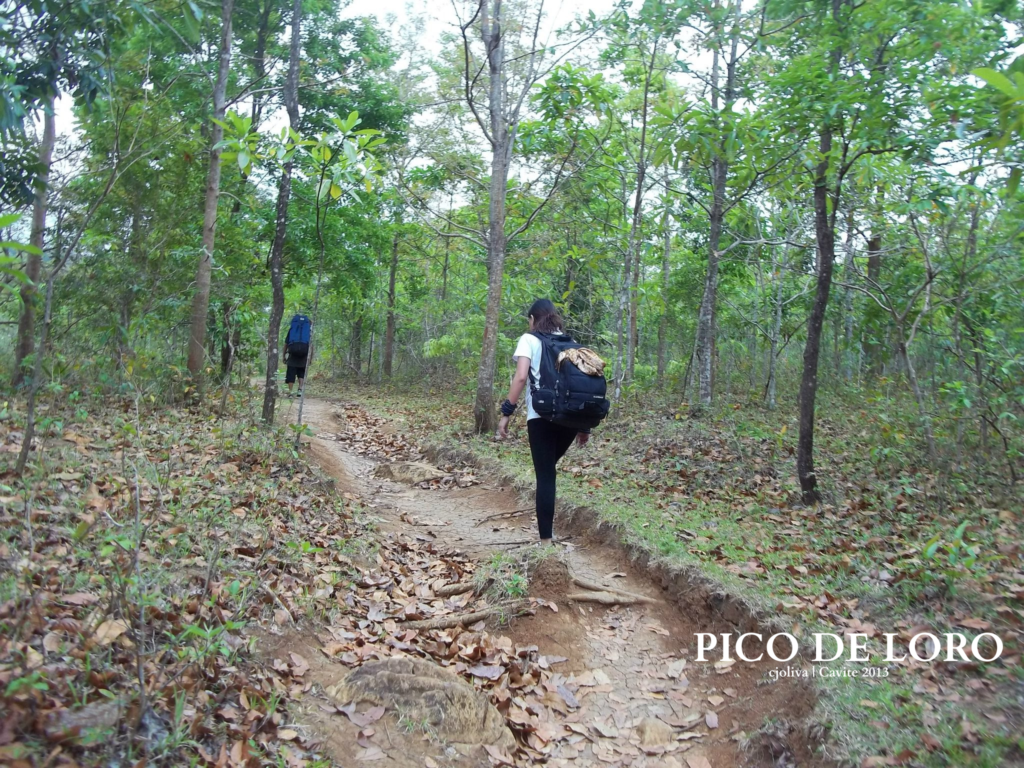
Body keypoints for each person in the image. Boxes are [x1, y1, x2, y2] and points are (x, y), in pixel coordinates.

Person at [496, 299, 590, 543]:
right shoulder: (570, 342)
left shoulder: (529, 339)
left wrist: (506, 412)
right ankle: (547, 537)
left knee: (545, 475)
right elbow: (582, 384)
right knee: (547, 471)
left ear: (532, 319)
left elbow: (520, 377)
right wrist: (583, 425)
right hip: (570, 418)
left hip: (541, 416)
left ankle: (546, 542)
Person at [283, 313, 311, 397]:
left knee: (291, 372)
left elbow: (286, 344)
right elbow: (311, 345)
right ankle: (300, 389)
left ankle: (290, 392)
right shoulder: (308, 331)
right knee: (301, 372)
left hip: (293, 353)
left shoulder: (292, 330)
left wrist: (283, 355)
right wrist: (310, 358)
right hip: (304, 353)